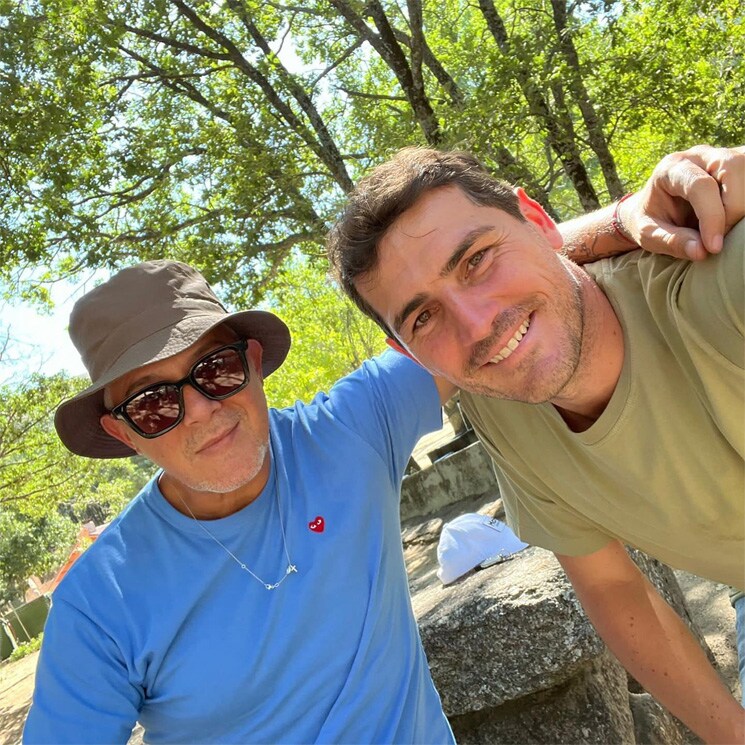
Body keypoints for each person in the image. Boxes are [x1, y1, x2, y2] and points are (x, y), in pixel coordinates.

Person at [24, 147, 740, 743]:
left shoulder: (348, 431)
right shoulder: (101, 599)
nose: (204, 411)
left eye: (215, 368)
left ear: (250, 360)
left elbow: (486, 309)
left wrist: (625, 217)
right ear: (120, 431)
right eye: (154, 404)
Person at [328, 145, 745, 743]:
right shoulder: (503, 410)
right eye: (423, 318)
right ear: (408, 354)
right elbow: (608, 584)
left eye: (476, 260)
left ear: (540, 222)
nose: (476, 324)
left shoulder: (717, 287)